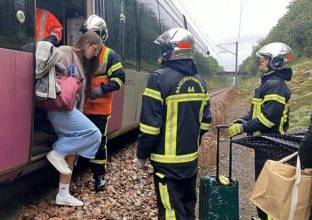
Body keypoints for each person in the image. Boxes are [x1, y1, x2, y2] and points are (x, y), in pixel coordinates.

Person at [136, 28, 212, 220]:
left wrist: (142, 154)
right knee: (187, 207)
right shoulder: (200, 81)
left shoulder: (158, 79)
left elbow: (150, 127)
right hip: (190, 160)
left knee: (170, 210)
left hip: (166, 163)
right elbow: (205, 122)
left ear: (171, 50)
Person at [228, 42, 295, 220]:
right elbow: (254, 113)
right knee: (263, 185)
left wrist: (243, 128)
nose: (261, 61)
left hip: (272, 144)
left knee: (269, 190)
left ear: (275, 62)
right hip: (264, 143)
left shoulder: (276, 85)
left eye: (264, 58)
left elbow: (268, 119)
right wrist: (242, 119)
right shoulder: (268, 83)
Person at [41, 31, 103, 207]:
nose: (95, 53)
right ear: (87, 43)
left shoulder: (82, 61)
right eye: (95, 48)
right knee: (94, 134)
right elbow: (49, 70)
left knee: (72, 151)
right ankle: (57, 152)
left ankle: (63, 194)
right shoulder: (66, 51)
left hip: (68, 110)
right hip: (60, 109)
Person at [80, 15, 126, 192]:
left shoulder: (109, 55)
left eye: (94, 34)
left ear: (103, 36)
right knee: (78, 138)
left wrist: (102, 90)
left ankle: (99, 178)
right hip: (80, 107)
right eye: (87, 33)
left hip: (99, 109)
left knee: (98, 141)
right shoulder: (81, 52)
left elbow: (120, 79)